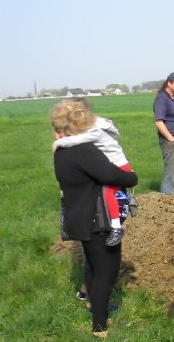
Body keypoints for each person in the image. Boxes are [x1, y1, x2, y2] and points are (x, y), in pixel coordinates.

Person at [51, 99, 138, 338]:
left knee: (92, 263)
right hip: (98, 218)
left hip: (79, 216)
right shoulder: (85, 151)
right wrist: (132, 177)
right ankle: (100, 326)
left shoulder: (61, 151)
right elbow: (113, 175)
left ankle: (93, 305)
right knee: (107, 272)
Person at [53, 102, 134, 246]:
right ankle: (116, 223)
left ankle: (116, 227)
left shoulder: (92, 133)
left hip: (119, 165)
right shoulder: (90, 136)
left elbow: (79, 139)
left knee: (107, 192)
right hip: (115, 166)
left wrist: (60, 143)